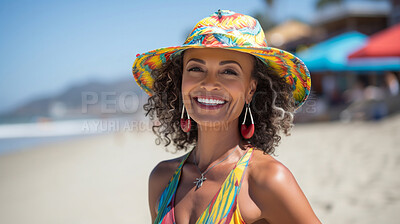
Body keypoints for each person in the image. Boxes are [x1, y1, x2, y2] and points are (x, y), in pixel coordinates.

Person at [132, 9, 321, 224]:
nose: (209, 83)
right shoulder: (161, 179)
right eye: (195, 68)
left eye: (229, 71)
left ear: (251, 89)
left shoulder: (266, 180)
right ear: (180, 81)